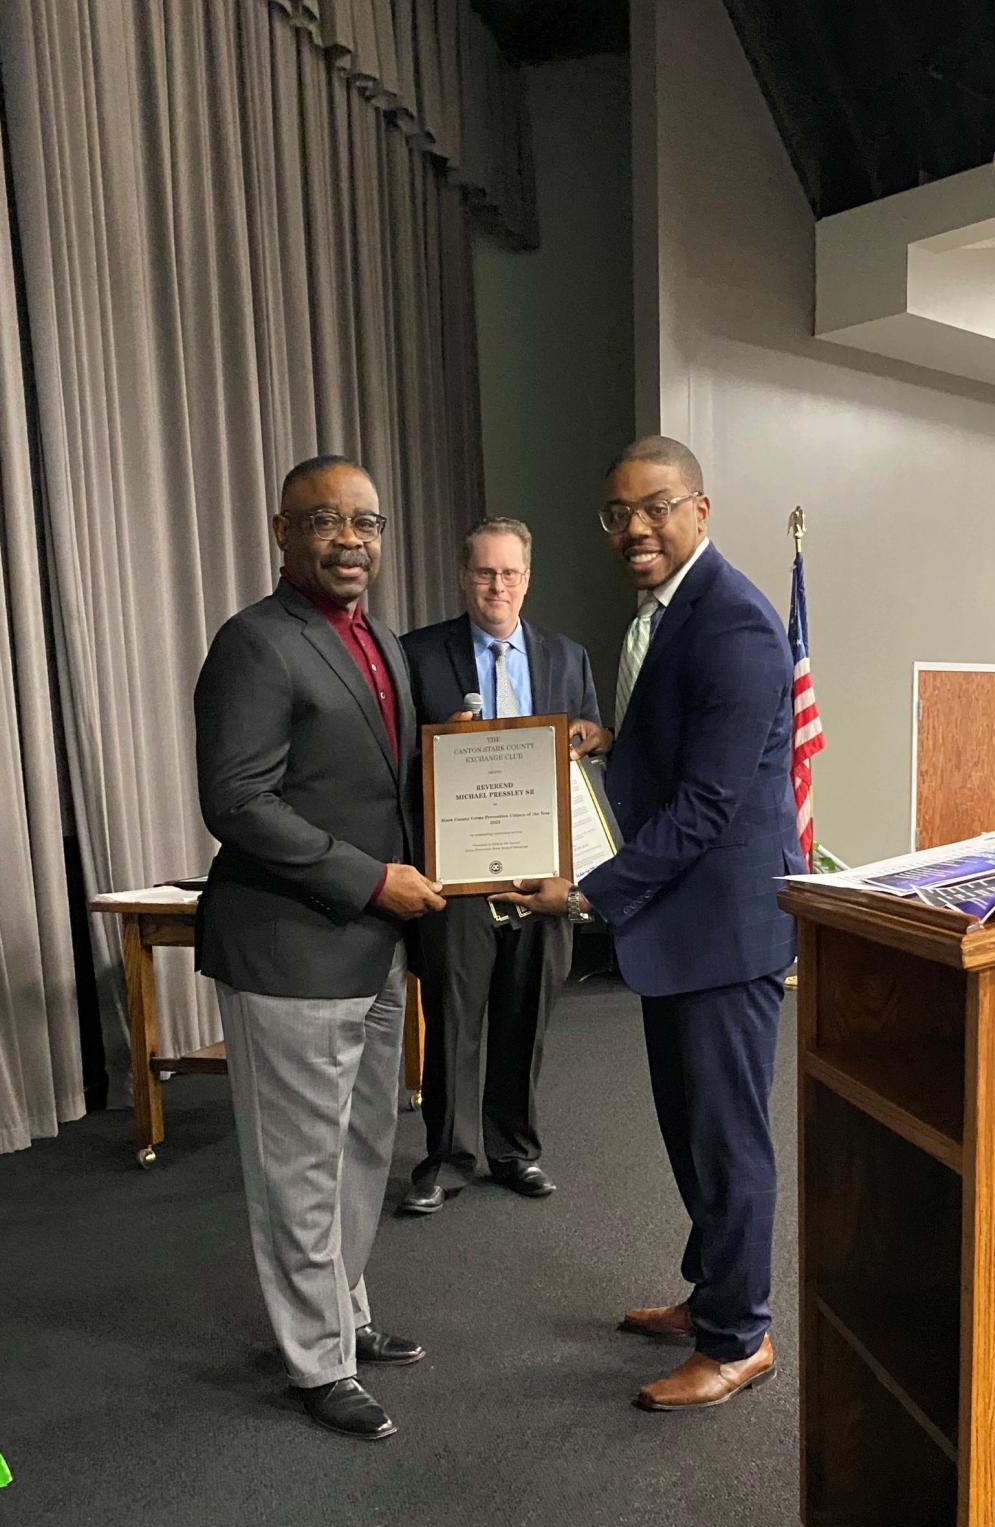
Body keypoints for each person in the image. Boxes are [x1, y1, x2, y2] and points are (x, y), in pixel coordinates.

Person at [497, 438, 802, 1412]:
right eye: (618, 512)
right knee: (688, 1128)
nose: (635, 526)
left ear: (700, 509)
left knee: (727, 1138)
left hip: (726, 929)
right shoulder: (667, 616)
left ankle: (740, 1335)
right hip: (685, 925)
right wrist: (613, 743)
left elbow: (710, 803)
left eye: (656, 507)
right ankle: (713, 1292)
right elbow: (686, 752)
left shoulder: (737, 622)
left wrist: (586, 893)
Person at [194, 453, 446, 1442]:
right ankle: (317, 1360)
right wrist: (369, 877)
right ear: (282, 532)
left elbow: (380, 782)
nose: (352, 539)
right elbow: (237, 800)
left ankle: (346, 1311)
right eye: (326, 521)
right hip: (292, 944)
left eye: (368, 522)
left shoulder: (378, 637)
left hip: (375, 943)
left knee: (361, 1145)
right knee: (300, 1161)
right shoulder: (257, 643)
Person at [398, 517, 608, 1214]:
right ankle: (448, 1158)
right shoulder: (417, 656)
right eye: (485, 572)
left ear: (528, 577)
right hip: (457, 875)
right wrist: (435, 754)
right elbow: (393, 764)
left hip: (544, 877)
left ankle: (514, 1150)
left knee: (526, 1016)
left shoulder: (567, 657)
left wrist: (593, 737)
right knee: (454, 1015)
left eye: (510, 572)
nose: (497, 585)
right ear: (463, 577)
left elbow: (594, 747)